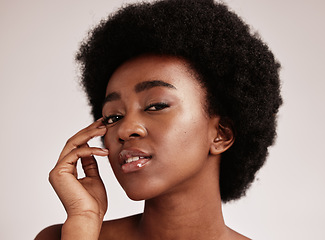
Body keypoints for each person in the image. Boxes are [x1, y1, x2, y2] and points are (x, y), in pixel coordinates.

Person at [35, 0, 282, 239]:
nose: (125, 129)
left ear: (221, 134)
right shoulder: (66, 236)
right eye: (113, 117)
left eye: (156, 105)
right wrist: (84, 222)